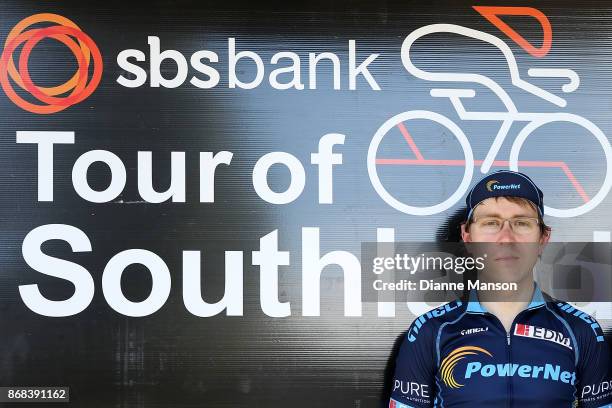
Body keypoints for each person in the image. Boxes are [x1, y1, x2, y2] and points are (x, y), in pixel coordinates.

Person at [388, 170, 611, 408]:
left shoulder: (581, 330)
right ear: (467, 236)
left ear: (543, 239)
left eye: (522, 223)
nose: (506, 238)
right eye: (491, 223)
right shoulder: (431, 331)